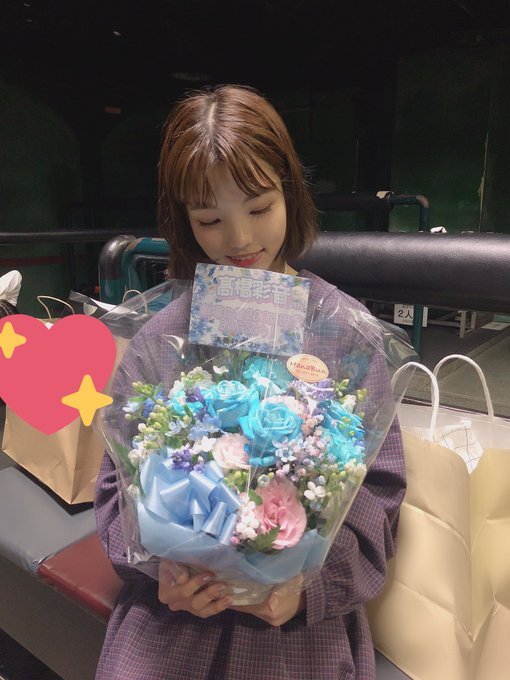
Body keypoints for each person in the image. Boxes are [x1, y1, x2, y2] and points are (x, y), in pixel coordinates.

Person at [95, 84, 406, 680]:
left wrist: (308, 588)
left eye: (259, 208)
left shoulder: (344, 332)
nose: (238, 240)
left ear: (292, 193)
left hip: (295, 632)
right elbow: (114, 487)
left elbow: (379, 494)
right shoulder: (162, 335)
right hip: (176, 622)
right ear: (183, 221)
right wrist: (158, 574)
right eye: (209, 219)